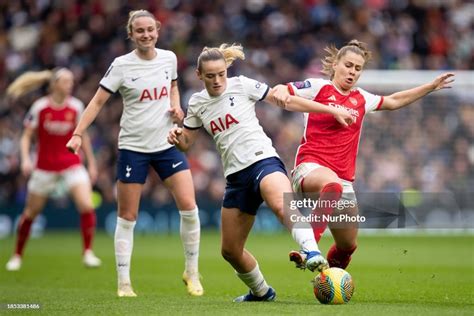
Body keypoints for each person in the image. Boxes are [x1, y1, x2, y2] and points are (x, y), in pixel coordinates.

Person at [167, 43, 355, 302]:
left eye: (221, 73)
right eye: (210, 76)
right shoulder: (198, 104)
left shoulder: (242, 85)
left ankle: (311, 251)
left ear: (226, 70)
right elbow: (187, 142)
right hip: (235, 177)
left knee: (281, 204)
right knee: (230, 250)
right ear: (199, 75)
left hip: (263, 160)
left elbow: (285, 99)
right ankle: (261, 292)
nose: (218, 80)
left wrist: (331, 109)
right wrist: (178, 137)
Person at [272, 39, 455, 270]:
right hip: (309, 169)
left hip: (343, 181)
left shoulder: (362, 98)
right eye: (348, 65)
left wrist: (429, 87)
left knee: (347, 246)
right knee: (332, 186)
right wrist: (279, 89)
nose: (352, 72)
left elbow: (393, 100)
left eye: (358, 68)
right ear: (336, 64)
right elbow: (284, 91)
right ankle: (309, 248)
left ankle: (327, 280)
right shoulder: (318, 87)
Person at [65, 10, 203, 298]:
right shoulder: (121, 66)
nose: (146, 35)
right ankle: (124, 283)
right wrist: (78, 132)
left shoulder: (169, 58)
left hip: (166, 144)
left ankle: (191, 272)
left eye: (150, 30)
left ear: (158, 30)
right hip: (133, 148)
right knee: (128, 216)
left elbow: (173, 87)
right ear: (131, 34)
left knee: (190, 207)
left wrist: (176, 108)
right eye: (139, 31)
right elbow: (97, 101)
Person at [5, 68, 102, 271]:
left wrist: (91, 163)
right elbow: (26, 136)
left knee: (86, 205)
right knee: (31, 213)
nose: (70, 84)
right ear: (54, 84)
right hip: (45, 167)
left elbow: (81, 136)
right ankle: (17, 255)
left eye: (72, 81)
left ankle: (87, 253)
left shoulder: (76, 106)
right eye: (66, 81)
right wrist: (25, 160)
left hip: (71, 164)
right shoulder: (40, 107)